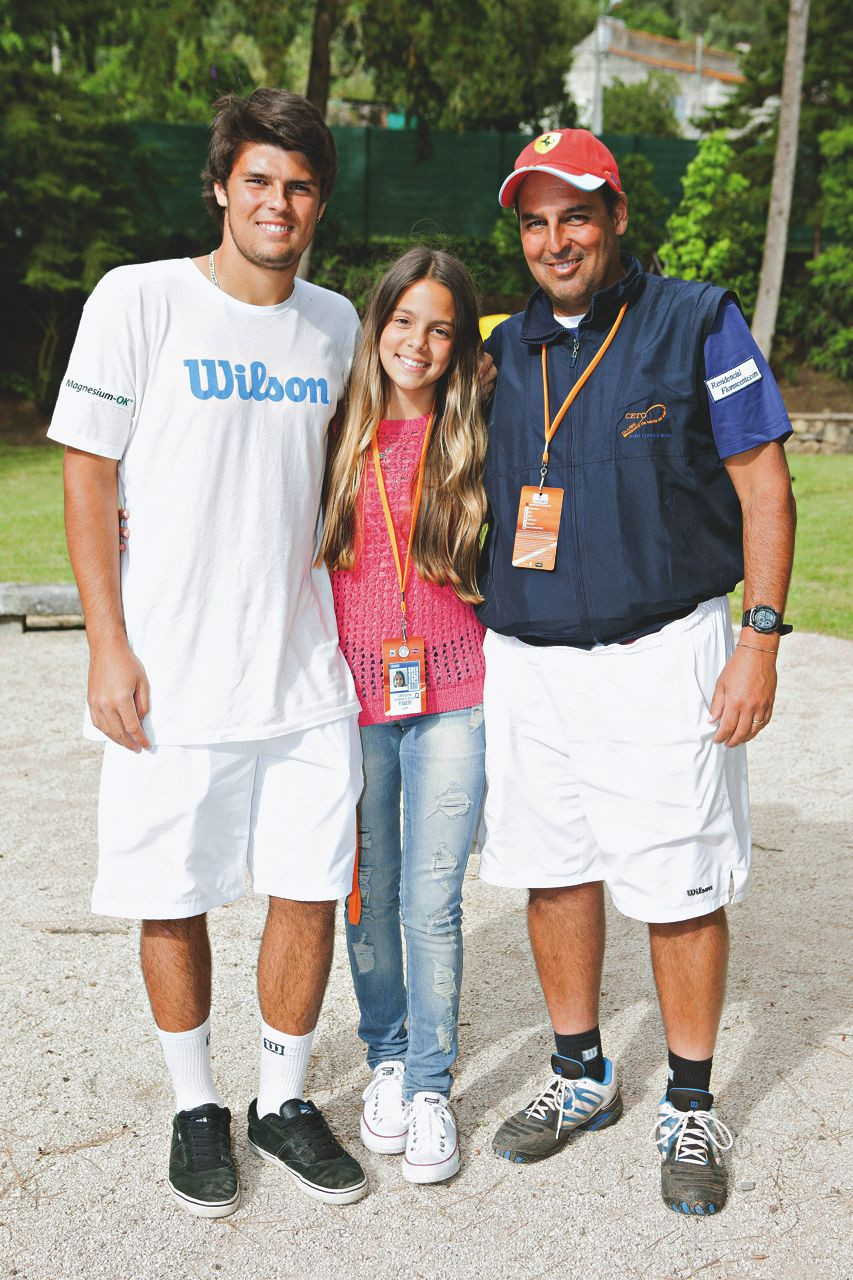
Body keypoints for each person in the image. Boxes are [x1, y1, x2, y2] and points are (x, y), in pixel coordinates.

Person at [47, 89, 370, 1218]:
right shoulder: (138, 298)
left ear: (318, 203)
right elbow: (88, 472)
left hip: (301, 669)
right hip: (170, 675)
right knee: (170, 893)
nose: (277, 202)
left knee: (308, 886)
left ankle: (283, 1099)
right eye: (259, 181)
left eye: (298, 185)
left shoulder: (336, 324)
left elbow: (360, 470)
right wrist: (107, 645)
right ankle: (198, 1106)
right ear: (222, 185)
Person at [477, 129, 796, 1215]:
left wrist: (757, 635)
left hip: (664, 651)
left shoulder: (696, 319)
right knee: (554, 868)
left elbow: (763, 486)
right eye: (534, 219)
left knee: (677, 880)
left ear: (615, 216)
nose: (555, 239)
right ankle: (580, 1074)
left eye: (576, 214)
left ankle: (691, 1100)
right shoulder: (499, 350)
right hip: (527, 661)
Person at [319, 247, 488, 1184]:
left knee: (431, 899)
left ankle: (429, 1085)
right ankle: (384, 1053)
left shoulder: (477, 432)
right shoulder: (333, 430)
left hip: (455, 693)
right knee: (367, 890)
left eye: (440, 327)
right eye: (403, 321)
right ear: (374, 322)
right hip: (354, 694)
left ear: (459, 343)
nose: (417, 343)